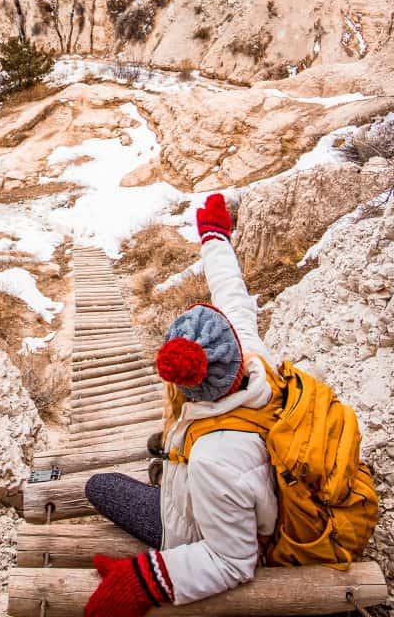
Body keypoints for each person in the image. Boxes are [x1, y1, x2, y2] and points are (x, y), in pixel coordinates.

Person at [84, 192, 278, 617]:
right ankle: (165, 467)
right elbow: (234, 295)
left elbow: (231, 562)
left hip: (214, 533)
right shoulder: (258, 362)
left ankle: (163, 496)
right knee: (160, 451)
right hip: (250, 492)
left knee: (99, 488)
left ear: (188, 387)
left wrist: (143, 578)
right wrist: (214, 238)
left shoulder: (215, 456)